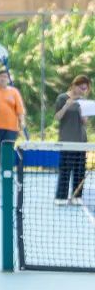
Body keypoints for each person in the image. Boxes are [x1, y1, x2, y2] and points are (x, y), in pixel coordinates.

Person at [53, 74, 90, 205]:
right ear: (74, 85)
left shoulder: (83, 101)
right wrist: (66, 106)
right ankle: (61, 197)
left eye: (85, 89)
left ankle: (77, 196)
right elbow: (57, 117)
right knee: (65, 169)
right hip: (66, 141)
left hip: (81, 141)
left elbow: (85, 122)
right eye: (81, 88)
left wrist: (82, 112)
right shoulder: (62, 98)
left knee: (79, 171)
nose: (83, 91)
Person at [0, 71, 26, 176]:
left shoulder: (14, 92)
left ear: (8, 79)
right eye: (1, 76)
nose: (3, 78)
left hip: (11, 127)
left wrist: (22, 122)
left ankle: (7, 171)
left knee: (8, 150)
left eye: (5, 77)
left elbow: (20, 110)